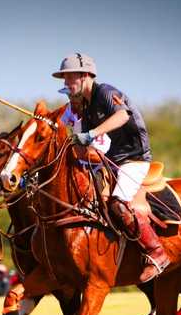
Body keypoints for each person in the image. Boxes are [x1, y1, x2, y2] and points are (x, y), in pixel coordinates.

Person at [53, 53, 169, 283]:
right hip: (110, 158)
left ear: (86, 75)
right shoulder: (84, 106)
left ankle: (157, 252)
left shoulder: (105, 92)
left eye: (69, 78)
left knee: (118, 203)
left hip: (134, 157)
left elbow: (122, 116)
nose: (65, 83)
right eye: (63, 79)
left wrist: (92, 133)